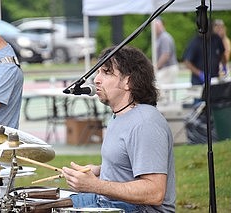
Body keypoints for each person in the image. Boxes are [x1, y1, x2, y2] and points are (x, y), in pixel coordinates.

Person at [62, 46, 176, 212]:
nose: (96, 80)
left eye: (106, 73)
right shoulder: (120, 115)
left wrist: (95, 185)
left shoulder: (145, 123)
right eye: (98, 72)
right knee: (41, 204)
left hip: (136, 209)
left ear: (128, 82)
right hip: (111, 203)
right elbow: (131, 165)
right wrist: (101, 171)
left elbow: (155, 192)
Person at [155, 18, 179, 84]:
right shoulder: (158, 38)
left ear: (163, 25)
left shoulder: (164, 37)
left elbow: (165, 55)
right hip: (165, 69)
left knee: (161, 88)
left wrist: (155, 67)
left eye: (158, 26)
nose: (156, 28)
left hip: (168, 68)